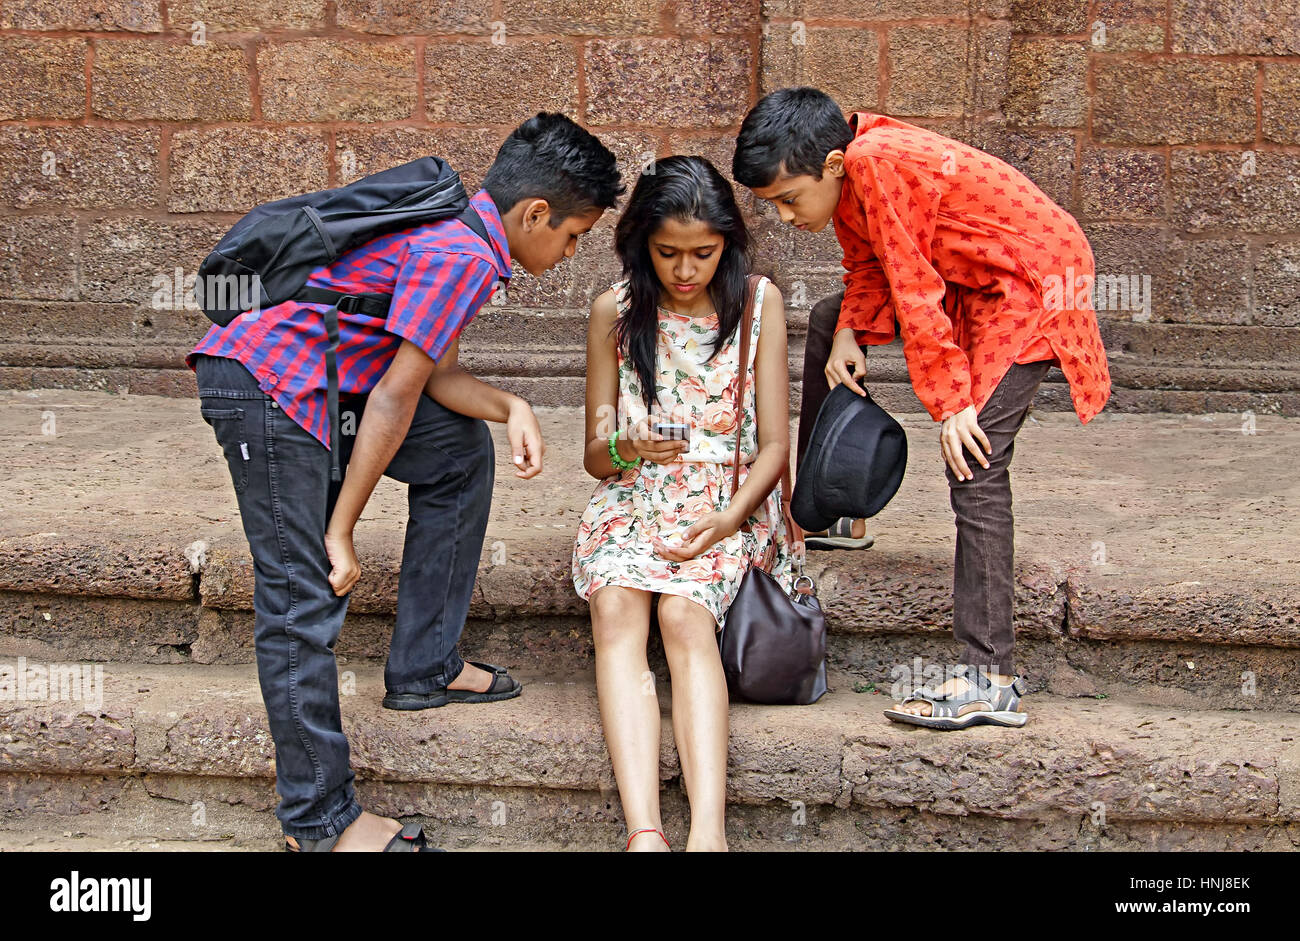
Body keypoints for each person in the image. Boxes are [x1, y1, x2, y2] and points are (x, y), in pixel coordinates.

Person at [189, 112, 624, 851]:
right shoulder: (463, 252)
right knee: (304, 592)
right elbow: (393, 396)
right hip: (268, 386)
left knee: (457, 452)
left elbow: (437, 375)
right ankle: (319, 820)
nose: (572, 249)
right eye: (574, 235)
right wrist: (341, 526)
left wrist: (511, 404)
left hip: (325, 381)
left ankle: (425, 664)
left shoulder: (466, 235)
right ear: (536, 213)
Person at [733, 87, 1111, 730]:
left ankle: (989, 674)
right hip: (972, 273)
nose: (788, 218)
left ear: (830, 165)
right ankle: (824, 512)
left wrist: (951, 403)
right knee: (830, 321)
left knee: (976, 457)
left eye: (789, 200)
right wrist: (851, 327)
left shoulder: (876, 161)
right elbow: (869, 260)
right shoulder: (851, 165)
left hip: (1030, 277)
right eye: (773, 207)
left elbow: (913, 286)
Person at [572, 156, 793, 850]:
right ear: (643, 244)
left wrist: (730, 518)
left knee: (683, 612)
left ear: (728, 241)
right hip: (636, 499)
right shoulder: (616, 310)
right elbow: (595, 457)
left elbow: (777, 447)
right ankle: (644, 830)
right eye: (668, 253)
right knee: (614, 606)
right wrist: (629, 445)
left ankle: (707, 832)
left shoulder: (758, 305)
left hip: (727, 501)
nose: (686, 269)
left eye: (704, 251)